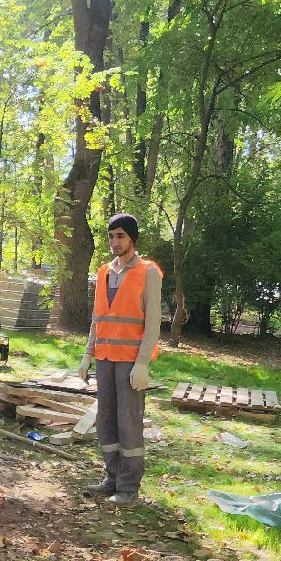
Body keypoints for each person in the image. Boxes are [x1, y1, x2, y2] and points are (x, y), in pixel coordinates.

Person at [80, 214, 164, 504]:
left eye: (121, 236)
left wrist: (142, 362)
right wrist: (87, 354)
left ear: (132, 239)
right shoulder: (104, 272)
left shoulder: (148, 272)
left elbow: (153, 323)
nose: (115, 242)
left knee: (128, 423)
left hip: (130, 362)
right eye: (111, 236)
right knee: (106, 421)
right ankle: (112, 478)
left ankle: (128, 488)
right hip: (105, 358)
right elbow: (97, 318)